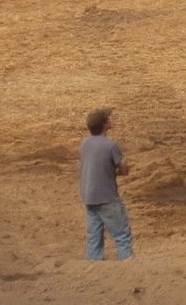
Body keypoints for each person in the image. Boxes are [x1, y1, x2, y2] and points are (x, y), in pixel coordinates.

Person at [78, 108, 132, 261]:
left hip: (89, 196)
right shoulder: (111, 145)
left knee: (94, 237)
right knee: (122, 234)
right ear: (104, 124)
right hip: (107, 196)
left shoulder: (84, 144)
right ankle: (127, 265)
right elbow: (124, 169)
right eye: (108, 118)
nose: (110, 120)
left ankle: (94, 265)